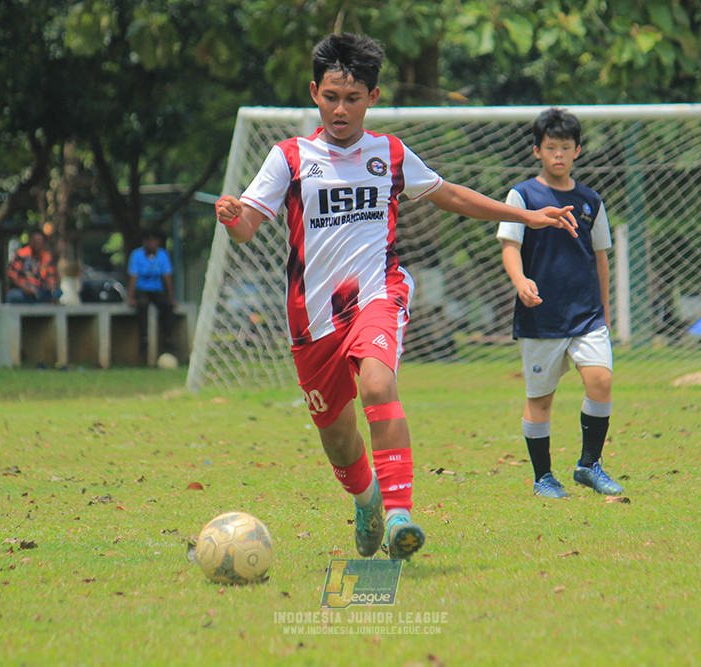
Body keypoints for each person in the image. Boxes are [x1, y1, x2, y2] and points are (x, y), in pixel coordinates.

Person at [214, 33, 578, 560]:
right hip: (311, 320)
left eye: (353, 98)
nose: (341, 109)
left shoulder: (390, 152)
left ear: (373, 98)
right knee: (339, 438)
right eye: (331, 97)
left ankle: (399, 516)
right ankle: (366, 502)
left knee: (379, 383)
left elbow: (449, 194)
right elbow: (248, 226)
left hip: (377, 294)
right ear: (315, 93)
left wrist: (524, 214)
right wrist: (231, 218)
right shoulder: (289, 158)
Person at [497, 107, 623, 500]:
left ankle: (589, 465)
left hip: (586, 314)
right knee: (540, 398)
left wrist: (604, 310)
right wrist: (520, 281)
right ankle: (543, 477)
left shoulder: (590, 201)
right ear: (536, 150)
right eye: (550, 147)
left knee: (600, 381)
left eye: (565, 148)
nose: (558, 155)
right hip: (541, 317)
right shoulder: (523, 195)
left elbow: (600, 256)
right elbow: (510, 246)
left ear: (578, 151)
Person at [127, 229, 176, 359]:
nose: (151, 244)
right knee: (142, 304)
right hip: (142, 290)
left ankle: (168, 339)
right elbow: (133, 277)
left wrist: (171, 298)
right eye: (149, 241)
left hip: (156, 290)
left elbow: (167, 277)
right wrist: (131, 297)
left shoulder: (163, 255)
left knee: (167, 306)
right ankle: (143, 339)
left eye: (154, 241)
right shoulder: (136, 255)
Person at [6, 229, 63, 303]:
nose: (38, 244)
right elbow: (13, 276)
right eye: (35, 241)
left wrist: (50, 286)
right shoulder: (21, 255)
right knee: (12, 295)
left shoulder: (47, 258)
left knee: (57, 292)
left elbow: (50, 277)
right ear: (30, 241)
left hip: (40, 291)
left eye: (40, 242)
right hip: (24, 291)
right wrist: (25, 288)